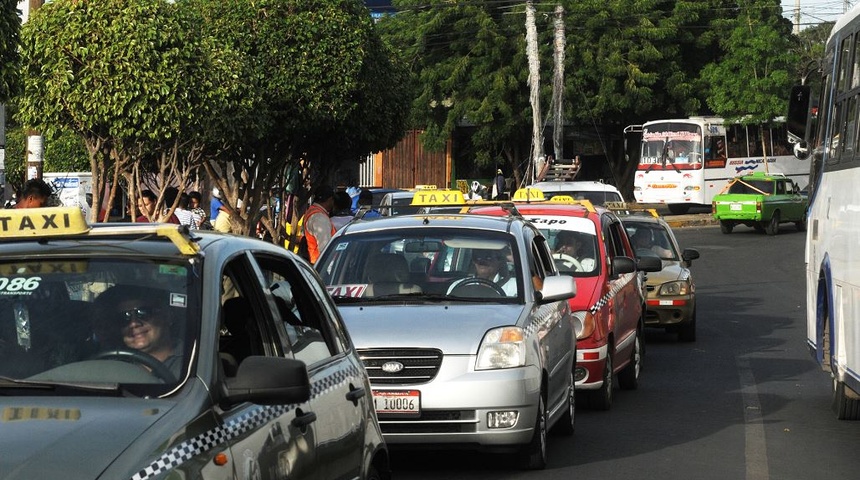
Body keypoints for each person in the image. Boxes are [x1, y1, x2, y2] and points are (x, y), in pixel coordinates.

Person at [95, 285, 183, 379]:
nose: (133, 324)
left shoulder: (194, 360)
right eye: (124, 318)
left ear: (167, 316)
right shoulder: (111, 366)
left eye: (143, 313)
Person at [447, 248, 516, 296]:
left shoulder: (515, 286)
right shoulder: (458, 286)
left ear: (499, 262)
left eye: (488, 258)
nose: (481, 262)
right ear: (474, 261)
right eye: (478, 258)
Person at [299, 185, 337, 264]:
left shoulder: (312, 212)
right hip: (319, 263)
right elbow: (325, 248)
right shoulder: (320, 218)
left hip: (314, 262)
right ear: (330, 200)